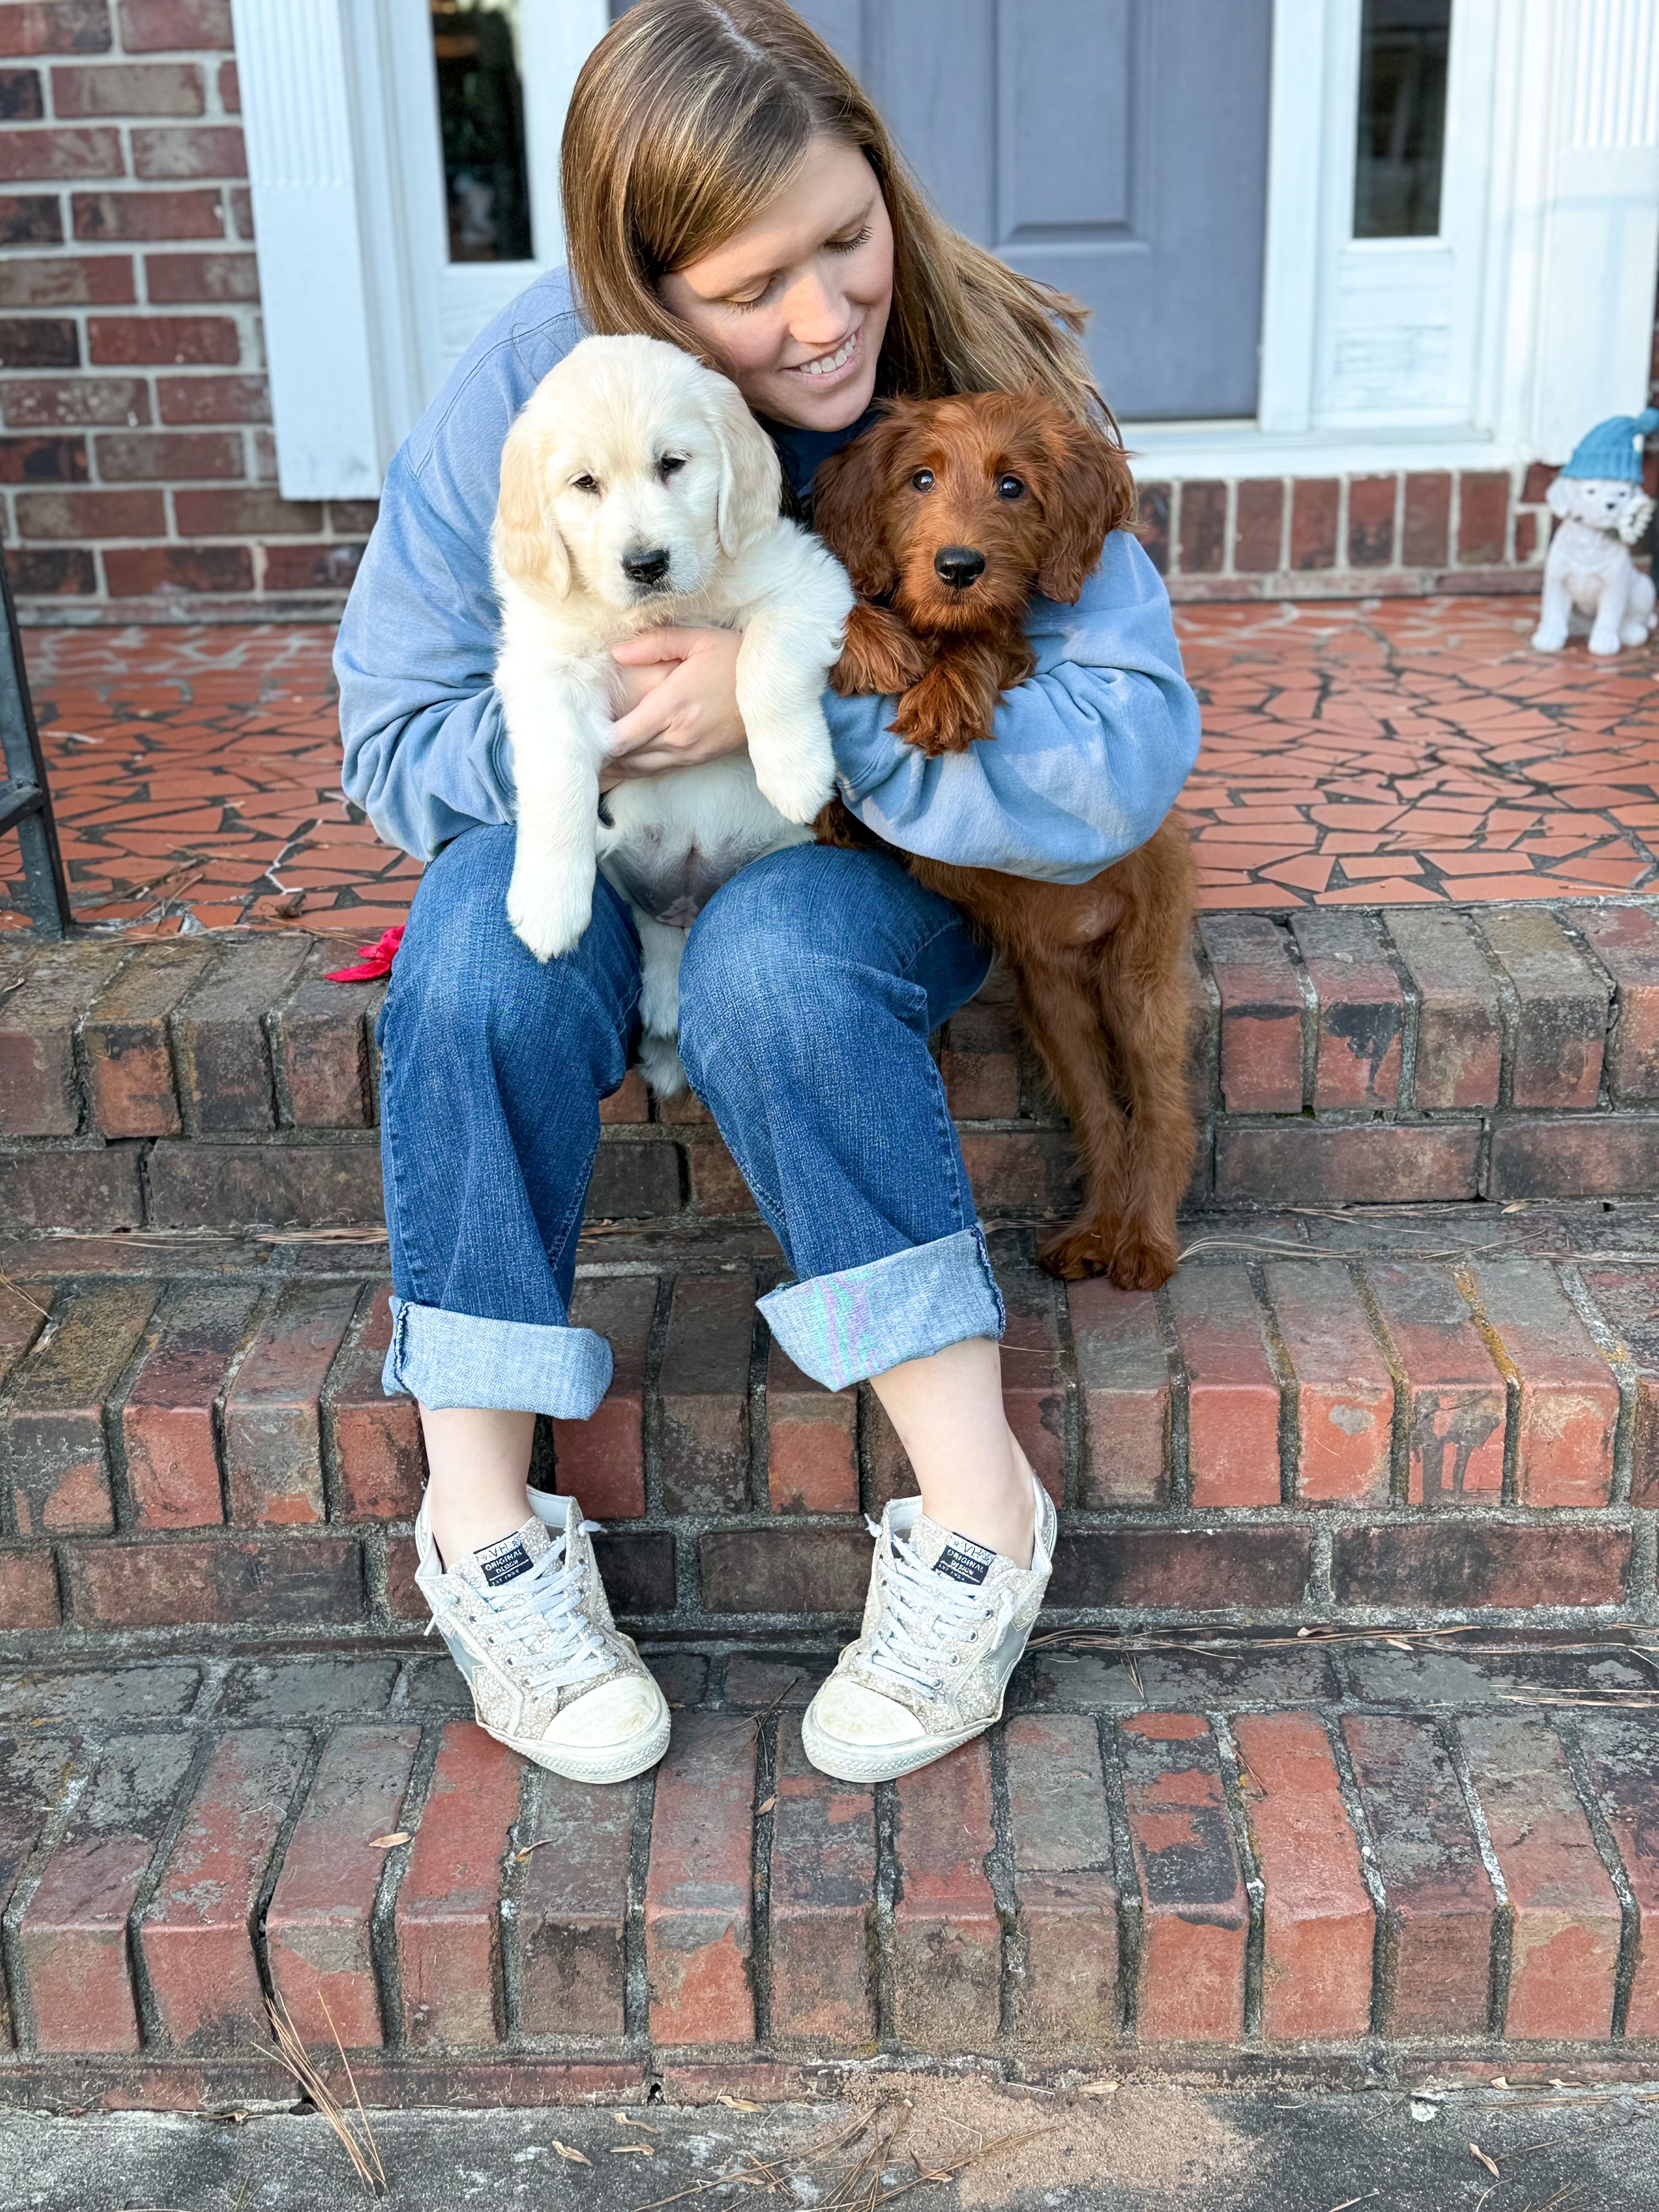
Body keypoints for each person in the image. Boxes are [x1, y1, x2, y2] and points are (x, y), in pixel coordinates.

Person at [335, 0, 1200, 1787]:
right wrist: (604, 726)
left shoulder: (982, 350)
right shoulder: (538, 388)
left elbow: (1123, 755)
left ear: (886, 185)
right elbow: (393, 735)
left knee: (781, 964)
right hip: (588, 829)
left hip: (849, 857)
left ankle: (982, 1512)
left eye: (846, 238)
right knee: (476, 961)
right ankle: (482, 1531)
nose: (822, 318)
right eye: (750, 288)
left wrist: (794, 700)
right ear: (644, 289)